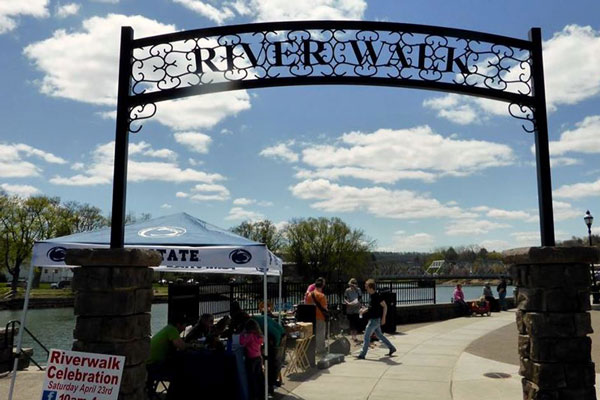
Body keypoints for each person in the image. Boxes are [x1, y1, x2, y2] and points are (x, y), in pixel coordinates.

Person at [146, 314, 187, 394]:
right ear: (178, 324)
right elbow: (182, 347)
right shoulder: (172, 330)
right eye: (184, 326)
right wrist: (191, 345)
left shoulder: (168, 328)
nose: (185, 328)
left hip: (149, 362)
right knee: (181, 372)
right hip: (152, 365)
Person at [357, 279, 396, 359]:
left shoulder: (377, 296)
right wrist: (364, 310)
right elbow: (371, 308)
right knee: (380, 336)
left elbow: (385, 306)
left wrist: (384, 317)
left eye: (367, 287)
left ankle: (362, 354)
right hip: (375, 319)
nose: (366, 288)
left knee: (366, 336)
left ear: (371, 288)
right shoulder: (372, 296)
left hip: (374, 320)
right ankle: (391, 348)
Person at [252, 310, 286, 394]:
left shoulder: (258, 324)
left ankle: (270, 384)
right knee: (272, 361)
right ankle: (271, 383)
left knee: (274, 362)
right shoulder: (258, 319)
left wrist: (273, 348)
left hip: (278, 337)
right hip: (277, 335)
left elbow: (274, 336)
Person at [240, 319, 264, 400]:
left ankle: (253, 395)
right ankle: (261, 394)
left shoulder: (250, 336)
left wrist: (242, 334)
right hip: (258, 357)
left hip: (250, 358)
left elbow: (242, 343)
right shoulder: (259, 335)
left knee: (251, 378)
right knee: (259, 376)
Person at [306, 277, 328, 354]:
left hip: (311, 317)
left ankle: (313, 349)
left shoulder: (309, 295)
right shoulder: (322, 296)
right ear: (322, 285)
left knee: (313, 334)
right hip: (320, 317)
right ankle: (320, 349)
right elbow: (325, 308)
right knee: (320, 334)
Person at [344, 278, 363, 343]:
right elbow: (345, 298)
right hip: (349, 308)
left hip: (356, 307)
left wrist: (357, 302)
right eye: (350, 285)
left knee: (356, 321)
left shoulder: (358, 290)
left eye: (353, 285)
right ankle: (352, 335)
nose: (351, 286)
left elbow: (360, 298)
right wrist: (347, 302)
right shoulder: (347, 290)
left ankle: (355, 335)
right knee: (351, 322)